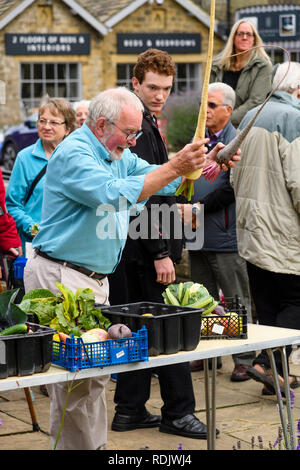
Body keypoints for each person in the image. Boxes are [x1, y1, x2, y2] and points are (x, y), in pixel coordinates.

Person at [23, 86, 239, 450]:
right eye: (130, 132)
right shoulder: (75, 153)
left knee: (92, 382)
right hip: (60, 276)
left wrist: (204, 162)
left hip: (88, 279)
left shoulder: (115, 152)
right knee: (76, 385)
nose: (135, 140)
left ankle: (95, 447)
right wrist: (176, 166)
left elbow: (161, 178)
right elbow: (115, 194)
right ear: (103, 124)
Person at [108, 49, 212, 440]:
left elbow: (167, 181)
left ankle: (130, 409)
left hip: (136, 248)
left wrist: (209, 161)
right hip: (141, 249)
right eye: (152, 87)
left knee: (137, 332)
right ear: (135, 83)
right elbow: (141, 196)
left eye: (167, 88)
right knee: (170, 333)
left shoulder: (146, 123)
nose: (160, 95)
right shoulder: (135, 128)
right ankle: (178, 412)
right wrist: (161, 253)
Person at [231, 62, 300, 396]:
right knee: (296, 303)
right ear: (297, 91)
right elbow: (299, 183)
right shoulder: (295, 118)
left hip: (252, 229)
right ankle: (263, 363)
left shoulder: (249, 116)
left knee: (269, 306)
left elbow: (231, 173)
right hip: (286, 233)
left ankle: (277, 377)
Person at [179, 82, 254, 381]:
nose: (205, 111)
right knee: (205, 297)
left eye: (211, 105)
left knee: (235, 299)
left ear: (228, 110)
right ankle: (211, 352)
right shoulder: (199, 139)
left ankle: (243, 357)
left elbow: (233, 188)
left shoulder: (237, 141)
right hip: (197, 234)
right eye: (203, 105)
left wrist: (199, 208)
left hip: (224, 233)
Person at [5, 97, 76, 255]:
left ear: (68, 128)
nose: (46, 127)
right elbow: (12, 205)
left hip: (69, 245)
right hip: (35, 245)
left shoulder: (77, 158)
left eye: (54, 122)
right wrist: (35, 229)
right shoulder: (25, 157)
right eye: (42, 121)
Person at [210, 19, 272, 128]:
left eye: (249, 34)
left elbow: (256, 102)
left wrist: (225, 121)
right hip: (214, 127)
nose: (244, 37)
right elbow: (207, 96)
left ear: (254, 39)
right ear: (233, 38)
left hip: (245, 129)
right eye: (240, 34)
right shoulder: (217, 65)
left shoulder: (262, 66)